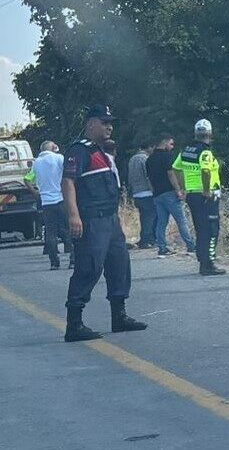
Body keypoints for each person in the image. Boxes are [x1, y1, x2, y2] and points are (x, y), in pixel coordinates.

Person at [62, 104, 147, 342]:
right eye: (104, 122)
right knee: (89, 268)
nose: (109, 127)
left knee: (119, 265)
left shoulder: (101, 151)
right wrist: (73, 215)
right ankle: (74, 324)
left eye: (111, 123)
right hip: (92, 220)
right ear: (91, 124)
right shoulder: (80, 151)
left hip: (110, 220)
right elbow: (68, 182)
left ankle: (119, 316)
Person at [173, 119, 226, 275]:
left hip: (192, 195)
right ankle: (209, 263)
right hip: (206, 196)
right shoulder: (205, 152)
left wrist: (183, 187)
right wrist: (207, 190)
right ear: (210, 133)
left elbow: (176, 168)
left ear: (196, 134)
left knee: (200, 229)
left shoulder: (186, 151)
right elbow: (206, 170)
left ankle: (203, 261)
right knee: (211, 229)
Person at [26, 140, 74, 270]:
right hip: (61, 199)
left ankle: (54, 262)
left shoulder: (36, 163)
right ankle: (73, 260)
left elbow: (27, 179)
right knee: (69, 230)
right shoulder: (59, 158)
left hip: (46, 203)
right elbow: (68, 174)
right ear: (53, 148)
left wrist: (35, 192)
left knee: (50, 233)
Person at [145, 134, 195, 257]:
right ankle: (191, 245)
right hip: (169, 193)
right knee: (181, 220)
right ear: (165, 142)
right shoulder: (167, 156)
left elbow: (149, 179)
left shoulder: (149, 159)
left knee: (161, 222)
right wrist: (178, 190)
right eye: (171, 144)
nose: (172, 147)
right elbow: (171, 174)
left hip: (157, 194)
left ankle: (162, 248)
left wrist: (153, 192)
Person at [127, 141, 156, 250]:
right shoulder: (145, 159)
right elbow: (148, 176)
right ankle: (146, 240)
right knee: (149, 217)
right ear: (149, 147)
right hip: (146, 192)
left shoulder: (132, 159)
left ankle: (144, 239)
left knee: (143, 217)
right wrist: (153, 189)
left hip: (136, 192)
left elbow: (130, 177)